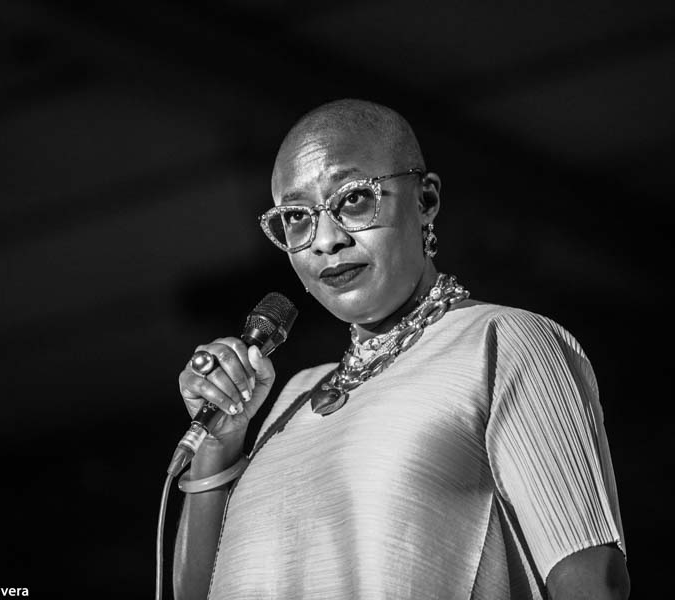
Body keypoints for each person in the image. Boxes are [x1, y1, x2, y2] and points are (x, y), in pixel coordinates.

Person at [172, 99, 629, 600]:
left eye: (353, 199)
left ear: (425, 199)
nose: (325, 240)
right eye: (298, 216)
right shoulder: (291, 399)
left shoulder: (504, 340)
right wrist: (218, 443)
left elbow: (592, 583)